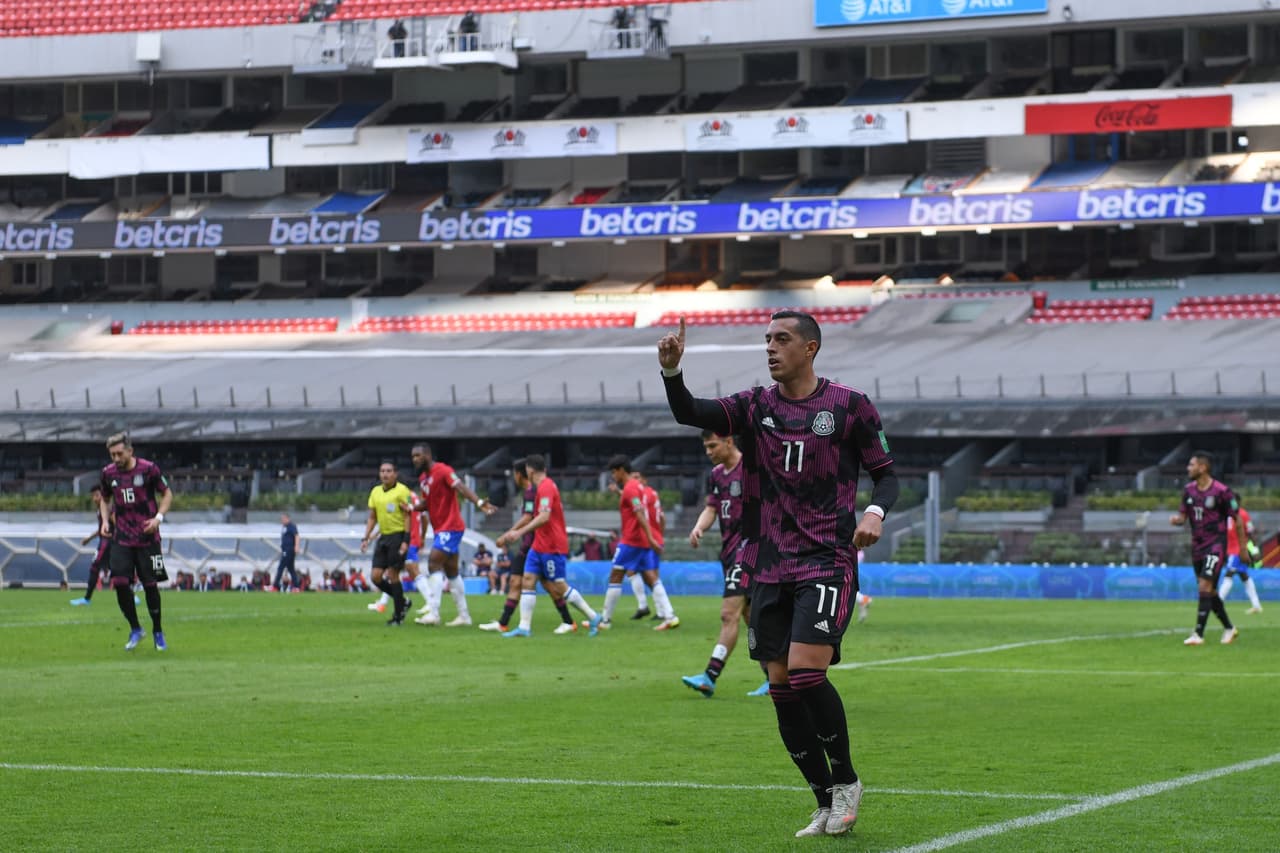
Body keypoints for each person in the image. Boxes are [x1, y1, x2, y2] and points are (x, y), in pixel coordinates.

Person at [660, 311, 899, 838]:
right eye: (766, 339)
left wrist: (874, 514)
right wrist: (673, 373)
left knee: (808, 673)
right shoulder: (755, 405)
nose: (770, 348)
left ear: (810, 348)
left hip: (826, 560)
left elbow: (886, 477)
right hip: (771, 565)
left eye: (781, 339)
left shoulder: (849, 407)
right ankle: (823, 799)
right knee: (782, 689)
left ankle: (848, 782)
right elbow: (692, 413)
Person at [681, 431, 770, 698]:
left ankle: (710, 675)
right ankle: (775, 678)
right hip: (730, 552)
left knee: (728, 613)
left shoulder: (753, 468)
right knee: (750, 618)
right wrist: (699, 527)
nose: (708, 452)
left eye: (712, 446)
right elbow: (712, 507)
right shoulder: (717, 474)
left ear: (729, 441)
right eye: (706, 447)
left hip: (750, 550)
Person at [496, 454, 601, 638]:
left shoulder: (546, 487)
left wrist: (518, 533)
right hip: (538, 545)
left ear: (529, 470)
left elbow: (544, 517)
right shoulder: (541, 488)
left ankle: (593, 616)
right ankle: (524, 627)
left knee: (559, 586)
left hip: (552, 545)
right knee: (527, 580)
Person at [99, 432, 176, 652]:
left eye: (119, 453)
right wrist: (105, 521)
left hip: (149, 539)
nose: (115, 458)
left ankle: (158, 631)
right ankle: (135, 628)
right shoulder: (107, 473)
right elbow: (104, 500)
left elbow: (167, 494)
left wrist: (158, 519)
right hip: (121, 538)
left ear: (130, 451)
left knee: (151, 585)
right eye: (112, 454)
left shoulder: (149, 469)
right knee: (120, 582)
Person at [409, 443, 496, 626]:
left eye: (418, 455)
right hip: (441, 528)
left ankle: (434, 612)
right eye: (413, 456)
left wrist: (479, 502)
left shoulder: (443, 470)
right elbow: (428, 503)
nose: (415, 459)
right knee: (452, 572)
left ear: (428, 455)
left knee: (433, 563)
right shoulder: (424, 479)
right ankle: (464, 616)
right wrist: (411, 507)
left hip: (451, 527)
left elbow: (460, 487)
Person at [1170, 451, 1246, 645]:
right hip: (1197, 546)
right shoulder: (1188, 490)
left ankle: (1198, 634)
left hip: (1216, 545)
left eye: (1191, 464)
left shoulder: (1222, 491)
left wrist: (1243, 549)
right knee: (1208, 590)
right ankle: (1229, 628)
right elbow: (1183, 517)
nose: (1188, 468)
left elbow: (1236, 519)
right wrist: (1177, 521)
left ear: (1202, 468)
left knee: (1205, 585)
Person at [602, 455, 679, 631]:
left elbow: (639, 514)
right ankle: (670, 616)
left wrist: (652, 537)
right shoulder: (639, 488)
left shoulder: (630, 488)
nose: (613, 476)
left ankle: (605, 621)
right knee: (650, 577)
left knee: (616, 575)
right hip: (642, 541)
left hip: (632, 540)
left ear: (621, 470)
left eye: (614, 472)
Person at [359, 460, 416, 626]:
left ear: (395, 474)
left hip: (397, 536)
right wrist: (366, 537)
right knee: (375, 577)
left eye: (389, 471)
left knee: (393, 575)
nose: (385, 474)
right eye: (382, 471)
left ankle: (398, 616)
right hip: (383, 537)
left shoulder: (402, 491)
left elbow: (407, 516)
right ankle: (403, 601)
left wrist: (406, 540)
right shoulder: (375, 492)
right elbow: (372, 517)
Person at [70, 484, 118, 606]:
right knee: (117, 570)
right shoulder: (100, 510)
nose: (94, 499)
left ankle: (87, 599)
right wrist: (89, 538)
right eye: (93, 496)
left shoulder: (108, 508)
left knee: (95, 567)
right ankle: (132, 597)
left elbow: (118, 524)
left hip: (107, 543)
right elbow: (102, 528)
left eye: (96, 495)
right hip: (106, 542)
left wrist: (116, 537)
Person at [1220, 505, 1264, 614]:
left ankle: (1218, 602)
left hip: (1239, 550)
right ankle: (1256, 605)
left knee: (1229, 573)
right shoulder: (1227, 514)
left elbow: (1250, 531)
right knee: (1243, 575)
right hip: (1232, 549)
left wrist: (1254, 548)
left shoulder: (1243, 514)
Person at [274, 512, 300, 592]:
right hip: (285, 550)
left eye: (283, 519)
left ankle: (275, 585)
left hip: (289, 550)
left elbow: (296, 536)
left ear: (287, 518)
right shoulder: (284, 527)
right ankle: (296, 586)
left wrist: (296, 546)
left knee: (281, 567)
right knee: (291, 569)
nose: (282, 520)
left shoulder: (291, 526)